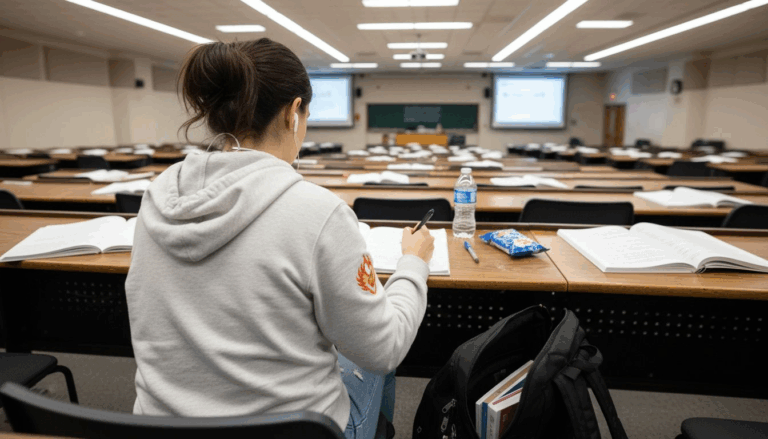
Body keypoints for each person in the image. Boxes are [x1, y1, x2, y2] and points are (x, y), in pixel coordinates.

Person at [125, 38, 435, 439]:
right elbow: (384, 347)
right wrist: (414, 264)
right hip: (292, 432)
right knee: (380, 353)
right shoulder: (318, 212)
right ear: (293, 113)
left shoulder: (157, 196)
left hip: (159, 428)